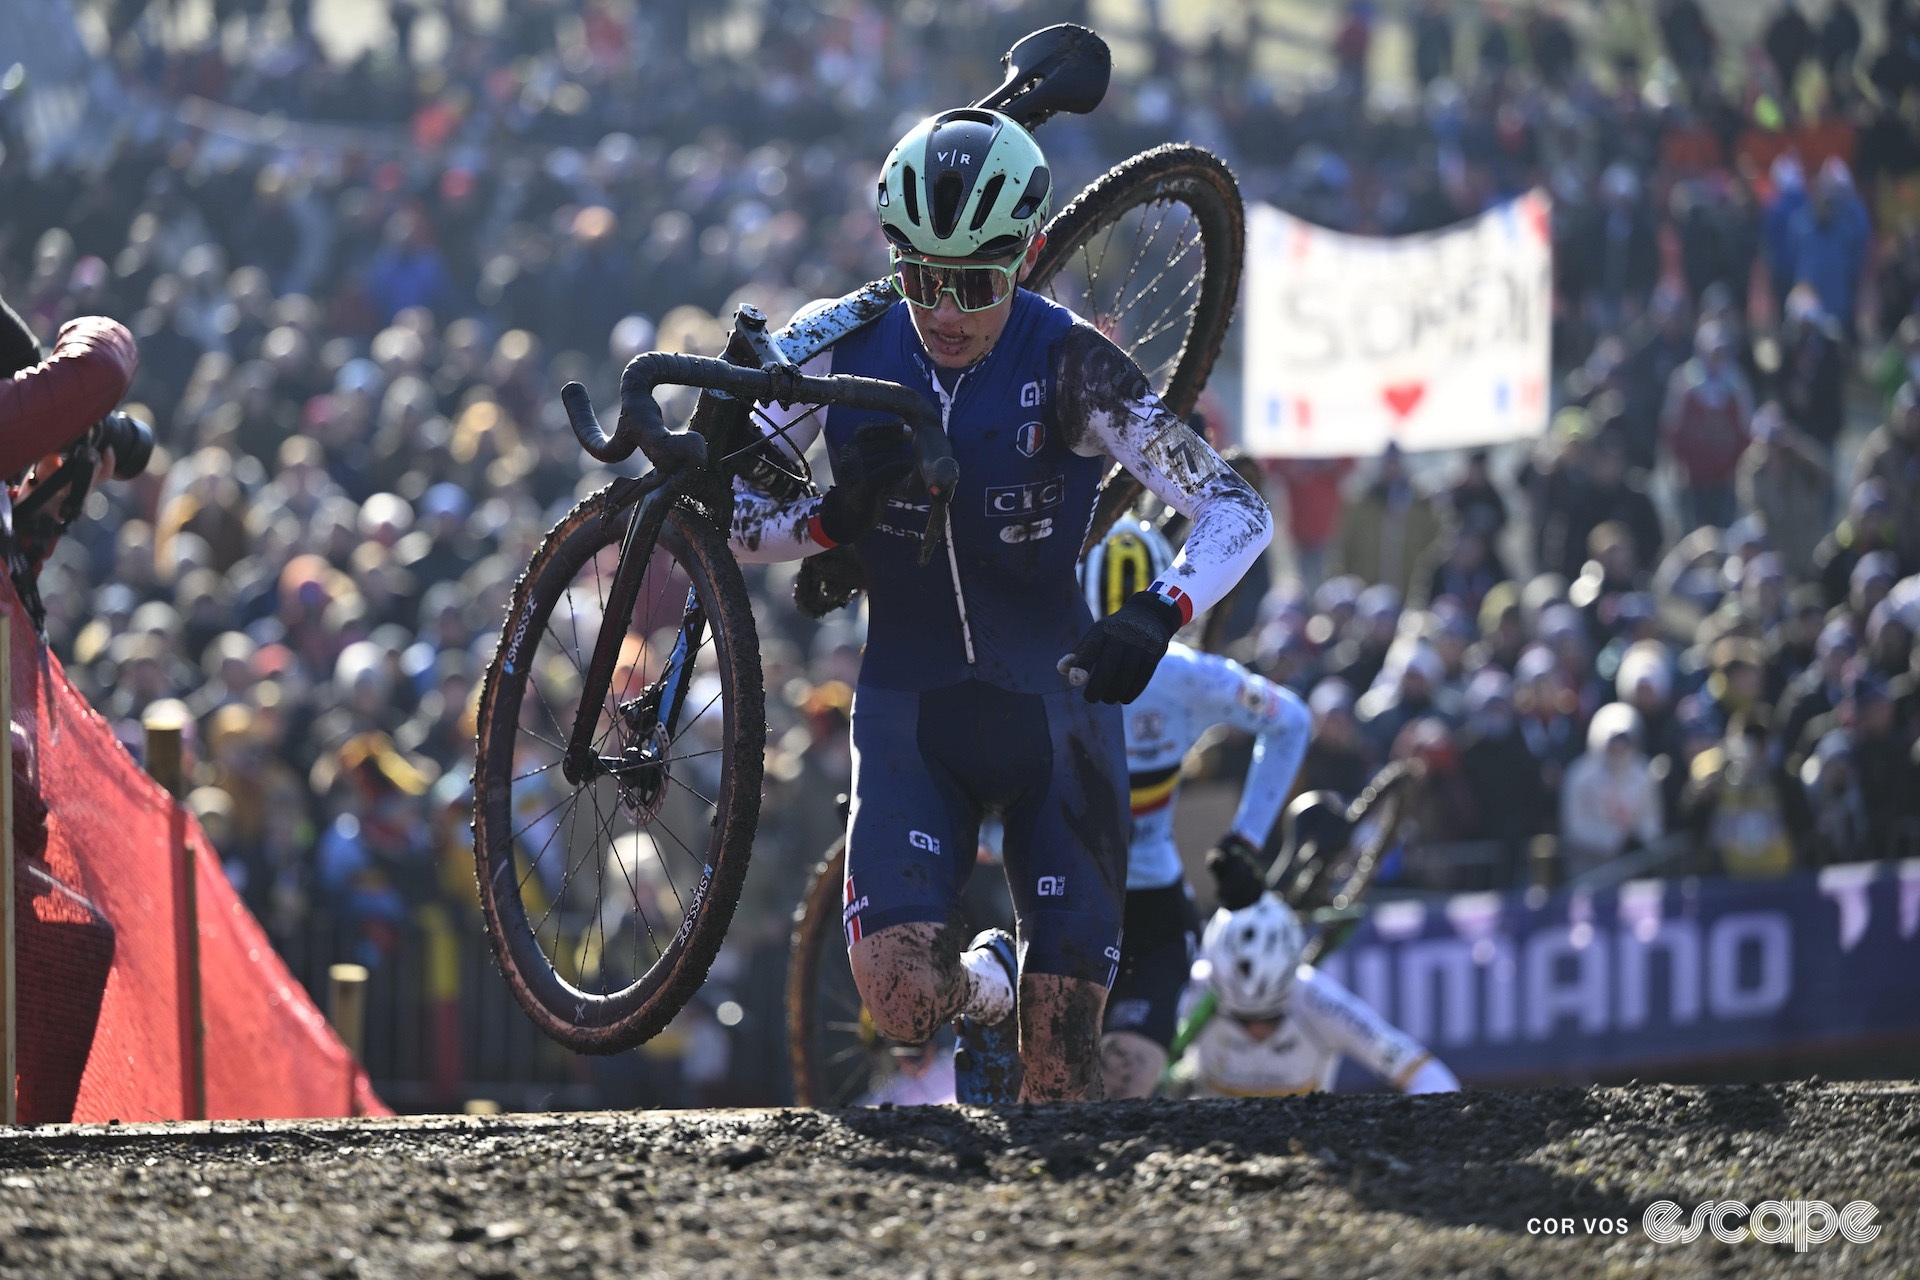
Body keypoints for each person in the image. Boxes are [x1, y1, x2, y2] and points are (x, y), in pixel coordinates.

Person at [727, 108, 1272, 1102]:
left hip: (1056, 715)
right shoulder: (832, 338)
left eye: (975, 282)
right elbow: (728, 513)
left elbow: (1234, 508)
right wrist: (827, 519)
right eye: (921, 276)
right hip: (910, 705)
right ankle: (990, 985)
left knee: (1066, 1076)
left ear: (1025, 256)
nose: (944, 308)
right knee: (900, 998)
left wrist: (1160, 610)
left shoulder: (1070, 361)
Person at [1078, 519, 1311, 1100]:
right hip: (1125, 902)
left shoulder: (1041, 665)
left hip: (1098, 900)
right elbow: (1292, 720)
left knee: (1101, 1084)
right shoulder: (1183, 672)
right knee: (1102, 1085)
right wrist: (1245, 840)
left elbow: (1294, 723)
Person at [1175, 888, 1460, 1098]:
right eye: (1240, 1019)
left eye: (1273, 1017)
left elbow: (1432, 1077)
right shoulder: (1193, 990)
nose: (1257, 1030)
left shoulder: (1319, 1000)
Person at [1559, 701, 1663, 878]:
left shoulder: (1643, 773)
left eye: (1624, 742)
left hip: (1636, 869)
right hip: (1590, 871)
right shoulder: (1579, 776)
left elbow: (1653, 819)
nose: (1619, 749)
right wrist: (1612, 840)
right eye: (1613, 743)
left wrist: (1639, 837)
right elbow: (1574, 827)